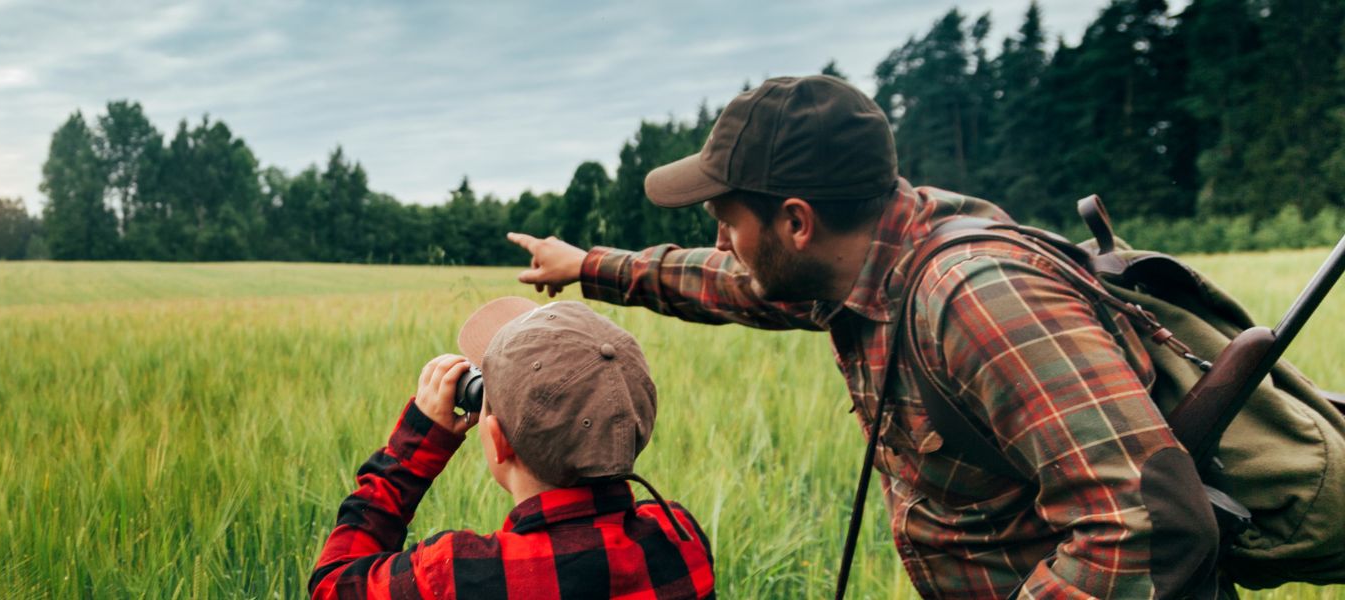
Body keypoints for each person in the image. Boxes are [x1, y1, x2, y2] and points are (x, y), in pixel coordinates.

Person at [507, 75, 1220, 599]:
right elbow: (726, 282)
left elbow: (1145, 523)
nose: (722, 241)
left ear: (795, 221)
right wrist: (589, 267)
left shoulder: (976, 301)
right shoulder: (857, 262)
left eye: (728, 220)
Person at [308, 299, 715, 599]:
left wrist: (415, 447)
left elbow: (331, 586)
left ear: (499, 441)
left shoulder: (455, 576)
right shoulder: (680, 537)